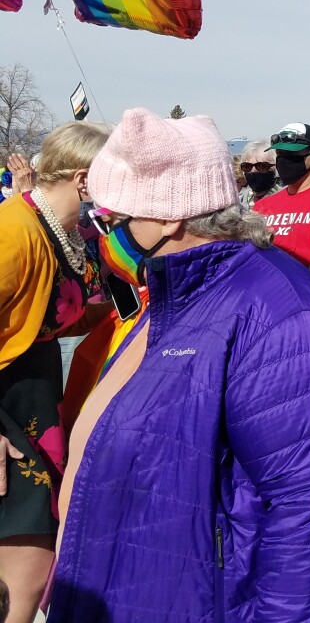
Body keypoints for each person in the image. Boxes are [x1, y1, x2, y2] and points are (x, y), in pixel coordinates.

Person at [45, 108, 310, 623]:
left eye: (111, 219)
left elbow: (307, 511)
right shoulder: (173, 295)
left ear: (170, 216)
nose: (99, 234)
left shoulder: (278, 309)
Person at [0, 123, 110, 623]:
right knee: (23, 576)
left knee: (34, 567)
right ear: (85, 180)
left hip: (37, 402)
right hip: (8, 411)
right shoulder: (15, 230)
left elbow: (57, 315)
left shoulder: (61, 230)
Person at [254, 123, 310, 265]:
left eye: (292, 154)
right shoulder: (262, 206)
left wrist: (270, 247)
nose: (284, 160)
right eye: (280, 154)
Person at [236, 139, 279, 211]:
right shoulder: (239, 203)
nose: (253, 170)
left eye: (261, 166)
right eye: (247, 166)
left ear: (275, 168)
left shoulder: (284, 200)